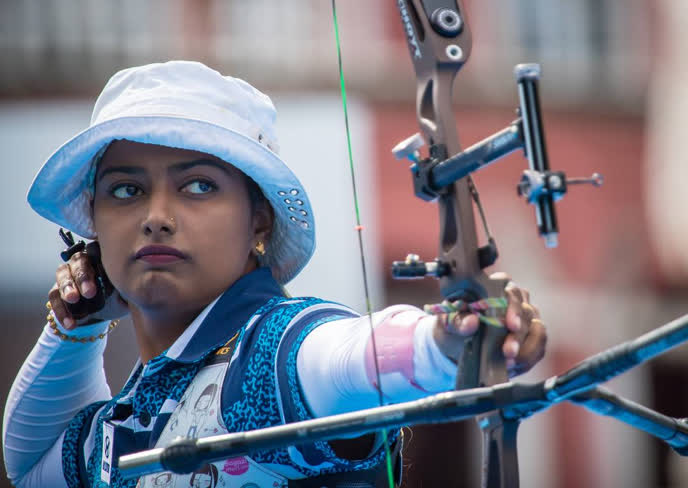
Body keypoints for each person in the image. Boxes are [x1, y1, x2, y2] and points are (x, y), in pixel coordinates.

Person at [2, 61, 547, 487]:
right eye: (126, 190)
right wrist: (76, 326)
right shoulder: (129, 415)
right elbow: (29, 467)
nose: (156, 217)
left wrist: (450, 338)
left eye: (197, 186)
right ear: (95, 225)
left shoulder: (268, 353)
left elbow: (348, 358)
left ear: (257, 217)